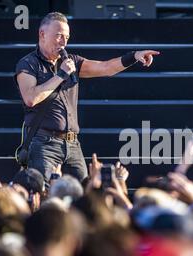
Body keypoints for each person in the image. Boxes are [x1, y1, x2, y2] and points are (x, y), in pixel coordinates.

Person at [15, 12, 160, 183]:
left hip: (72, 143)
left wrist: (134, 56)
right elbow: (31, 98)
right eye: (59, 36)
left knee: (85, 190)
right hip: (44, 142)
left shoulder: (72, 61)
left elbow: (106, 67)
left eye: (66, 37)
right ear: (42, 34)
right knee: (46, 192)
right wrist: (61, 75)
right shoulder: (28, 64)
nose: (63, 42)